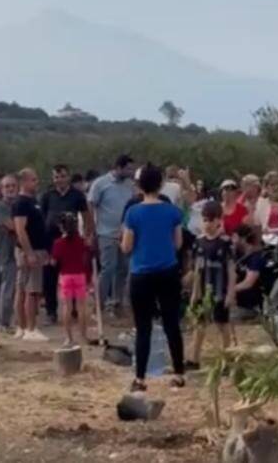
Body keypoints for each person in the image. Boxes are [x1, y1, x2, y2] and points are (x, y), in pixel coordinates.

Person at [120, 164, 188, 392]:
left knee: (143, 327)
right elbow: (178, 243)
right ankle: (179, 373)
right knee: (171, 324)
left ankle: (140, 379)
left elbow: (127, 246)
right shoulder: (172, 211)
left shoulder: (133, 212)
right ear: (161, 184)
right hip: (168, 272)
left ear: (139, 185)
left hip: (141, 274)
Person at [40, 164, 94, 325]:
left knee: (73, 274)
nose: (60, 180)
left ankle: (75, 309)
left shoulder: (77, 195)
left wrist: (88, 235)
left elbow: (86, 217)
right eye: (56, 177)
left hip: (71, 241)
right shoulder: (47, 196)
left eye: (62, 176)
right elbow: (42, 219)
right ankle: (51, 311)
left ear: (68, 177)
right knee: (50, 277)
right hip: (51, 241)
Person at [187, 200, 237, 370]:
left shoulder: (225, 242)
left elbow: (231, 269)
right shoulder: (199, 242)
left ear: (219, 221)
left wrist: (231, 293)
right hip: (204, 289)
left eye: (211, 220)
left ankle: (227, 361)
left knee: (222, 325)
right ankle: (194, 359)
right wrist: (195, 292)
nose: (208, 224)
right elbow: (197, 269)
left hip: (220, 290)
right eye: (205, 220)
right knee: (200, 324)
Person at [88, 155, 136, 316]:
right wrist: (91, 230)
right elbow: (91, 205)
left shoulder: (130, 185)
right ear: (118, 167)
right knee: (108, 268)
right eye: (128, 168)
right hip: (105, 233)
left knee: (122, 269)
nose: (131, 172)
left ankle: (116, 303)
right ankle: (98, 305)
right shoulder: (101, 184)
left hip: (125, 234)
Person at [12, 168, 50, 342]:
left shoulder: (32, 201)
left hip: (36, 249)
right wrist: (30, 253)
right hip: (30, 250)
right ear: (24, 182)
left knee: (23, 289)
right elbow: (20, 229)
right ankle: (30, 328)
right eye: (33, 180)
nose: (37, 182)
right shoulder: (21, 203)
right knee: (31, 291)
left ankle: (21, 327)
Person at [51, 213, 91, 346]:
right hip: (80, 275)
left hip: (65, 276)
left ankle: (69, 338)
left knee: (67, 307)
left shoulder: (58, 243)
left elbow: (54, 261)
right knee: (81, 307)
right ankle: (83, 336)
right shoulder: (82, 241)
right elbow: (88, 253)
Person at [0, 174, 20, 330]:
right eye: (7, 186)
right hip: (5, 252)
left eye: (13, 186)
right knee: (6, 287)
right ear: (1, 189)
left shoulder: (19, 205)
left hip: (19, 251)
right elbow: (13, 226)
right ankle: (3, 322)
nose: (10, 189)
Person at [232, 224, 268, 314]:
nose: (232, 240)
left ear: (243, 239)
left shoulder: (256, 257)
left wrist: (229, 290)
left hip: (252, 304)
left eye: (234, 237)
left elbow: (248, 283)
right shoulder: (238, 254)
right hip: (239, 302)